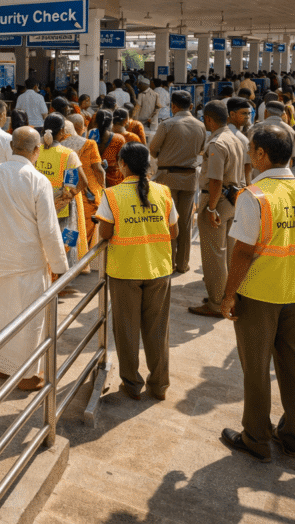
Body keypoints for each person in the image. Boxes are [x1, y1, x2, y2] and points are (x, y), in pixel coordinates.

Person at [218, 125, 295, 462]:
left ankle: (256, 437)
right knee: (294, 366)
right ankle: (292, 435)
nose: (250, 153)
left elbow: (242, 253)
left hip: (260, 294)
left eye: (252, 148)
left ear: (261, 154)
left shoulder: (255, 196)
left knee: (256, 367)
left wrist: (228, 294)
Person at [0, 126, 67, 391]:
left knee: (1, 314)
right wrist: (60, 267)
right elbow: (49, 229)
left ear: (11, 147)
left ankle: (4, 366)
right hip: (28, 262)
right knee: (29, 320)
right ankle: (26, 375)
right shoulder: (37, 180)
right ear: (37, 150)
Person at [97, 142, 178, 401]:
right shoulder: (163, 192)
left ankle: (131, 385)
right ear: (147, 165)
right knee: (157, 331)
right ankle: (159, 385)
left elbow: (105, 233)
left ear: (122, 164)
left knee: (126, 330)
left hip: (125, 271)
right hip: (159, 269)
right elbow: (174, 231)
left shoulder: (112, 195)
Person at [189, 100, 249, 318]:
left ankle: (216, 303)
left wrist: (211, 209)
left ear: (208, 119)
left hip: (218, 200)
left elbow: (215, 180)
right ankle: (226, 296)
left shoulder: (217, 144)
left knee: (213, 256)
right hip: (234, 200)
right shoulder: (236, 139)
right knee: (228, 253)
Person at [149, 90, 205, 275]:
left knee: (168, 221)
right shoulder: (200, 126)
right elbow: (201, 150)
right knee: (186, 222)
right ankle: (182, 263)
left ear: (173, 106)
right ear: (190, 106)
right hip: (190, 179)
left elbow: (153, 149)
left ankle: (169, 262)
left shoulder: (167, 125)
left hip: (167, 179)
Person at [36, 114, 86, 268]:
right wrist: (69, 196)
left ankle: (47, 274)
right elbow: (83, 182)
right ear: (63, 131)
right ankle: (63, 276)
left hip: (39, 204)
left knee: (43, 241)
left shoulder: (36, 151)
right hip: (62, 206)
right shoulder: (68, 154)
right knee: (66, 240)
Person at [64, 113, 104, 256]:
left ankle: (69, 255)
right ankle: (82, 258)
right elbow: (98, 169)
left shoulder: (57, 146)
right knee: (84, 225)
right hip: (88, 193)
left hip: (65, 191)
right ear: (80, 127)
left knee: (68, 226)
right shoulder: (89, 144)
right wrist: (103, 187)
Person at [91, 109, 126, 188]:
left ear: (95, 123)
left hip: (94, 183)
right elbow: (122, 163)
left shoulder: (90, 136)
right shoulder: (119, 139)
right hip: (113, 184)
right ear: (111, 123)